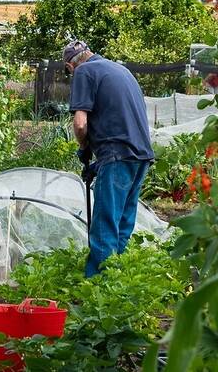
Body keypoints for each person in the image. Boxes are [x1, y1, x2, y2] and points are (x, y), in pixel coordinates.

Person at [64, 40, 155, 277]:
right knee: (123, 221)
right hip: (141, 155)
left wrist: (84, 147)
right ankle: (117, 278)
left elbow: (81, 123)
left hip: (117, 155)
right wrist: (96, 163)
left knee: (105, 223)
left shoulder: (84, 71)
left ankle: (98, 285)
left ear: (70, 66)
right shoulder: (119, 69)